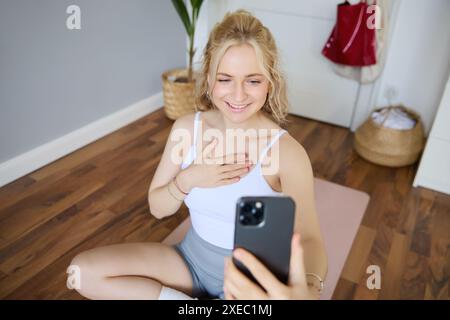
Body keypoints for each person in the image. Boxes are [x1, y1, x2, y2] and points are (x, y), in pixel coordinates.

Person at [68, 9, 327, 300]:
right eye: (225, 79)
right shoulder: (186, 129)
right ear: (209, 78)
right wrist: (189, 178)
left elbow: (310, 238)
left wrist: (310, 289)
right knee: (82, 271)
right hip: (190, 262)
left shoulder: (287, 152)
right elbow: (158, 207)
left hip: (251, 284)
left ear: (270, 82)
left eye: (253, 80)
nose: (238, 95)